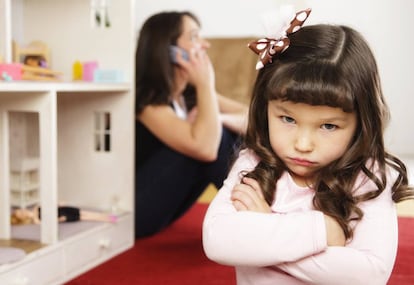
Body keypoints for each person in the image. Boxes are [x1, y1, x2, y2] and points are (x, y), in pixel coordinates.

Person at [202, 8, 414, 285]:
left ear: (361, 122)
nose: (302, 144)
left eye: (328, 126)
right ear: (265, 109)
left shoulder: (369, 177)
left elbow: (369, 274)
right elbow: (217, 241)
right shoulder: (254, 163)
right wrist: (322, 232)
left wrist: (264, 229)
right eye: (288, 118)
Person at [135, 11, 248, 238]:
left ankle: (252, 211)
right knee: (214, 138)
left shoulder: (188, 95)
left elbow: (253, 118)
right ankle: (248, 218)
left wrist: (220, 118)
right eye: (194, 37)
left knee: (228, 134)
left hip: (170, 210)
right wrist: (206, 82)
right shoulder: (147, 102)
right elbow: (205, 149)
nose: (205, 45)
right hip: (140, 215)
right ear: (168, 49)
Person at [11, 205, 117, 225]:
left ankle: (106, 216)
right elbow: (46, 222)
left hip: (60, 209)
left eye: (20, 210)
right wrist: (59, 220)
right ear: (22, 218)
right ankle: (107, 219)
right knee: (84, 217)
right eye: (20, 213)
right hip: (60, 216)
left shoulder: (35, 208)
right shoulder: (35, 220)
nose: (22, 211)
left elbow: (47, 204)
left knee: (84, 212)